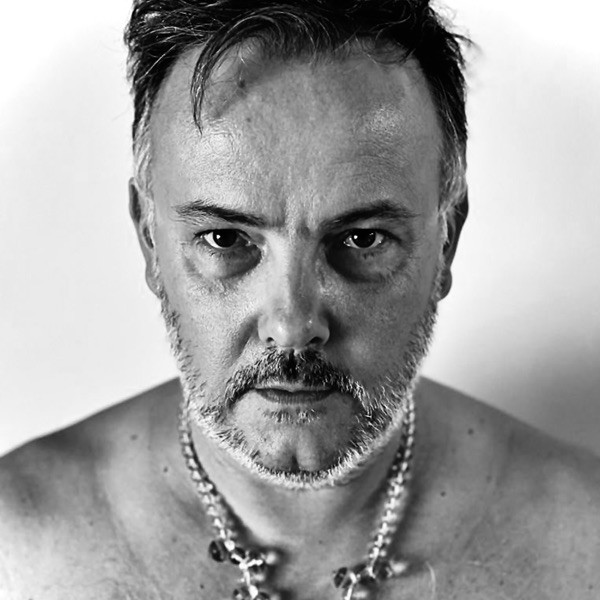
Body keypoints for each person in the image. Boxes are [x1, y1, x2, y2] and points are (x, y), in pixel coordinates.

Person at [1, 1, 599, 598]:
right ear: (150, 241)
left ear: (446, 240)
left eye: (362, 239)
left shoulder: (584, 546)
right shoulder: (18, 552)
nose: (292, 326)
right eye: (225, 239)